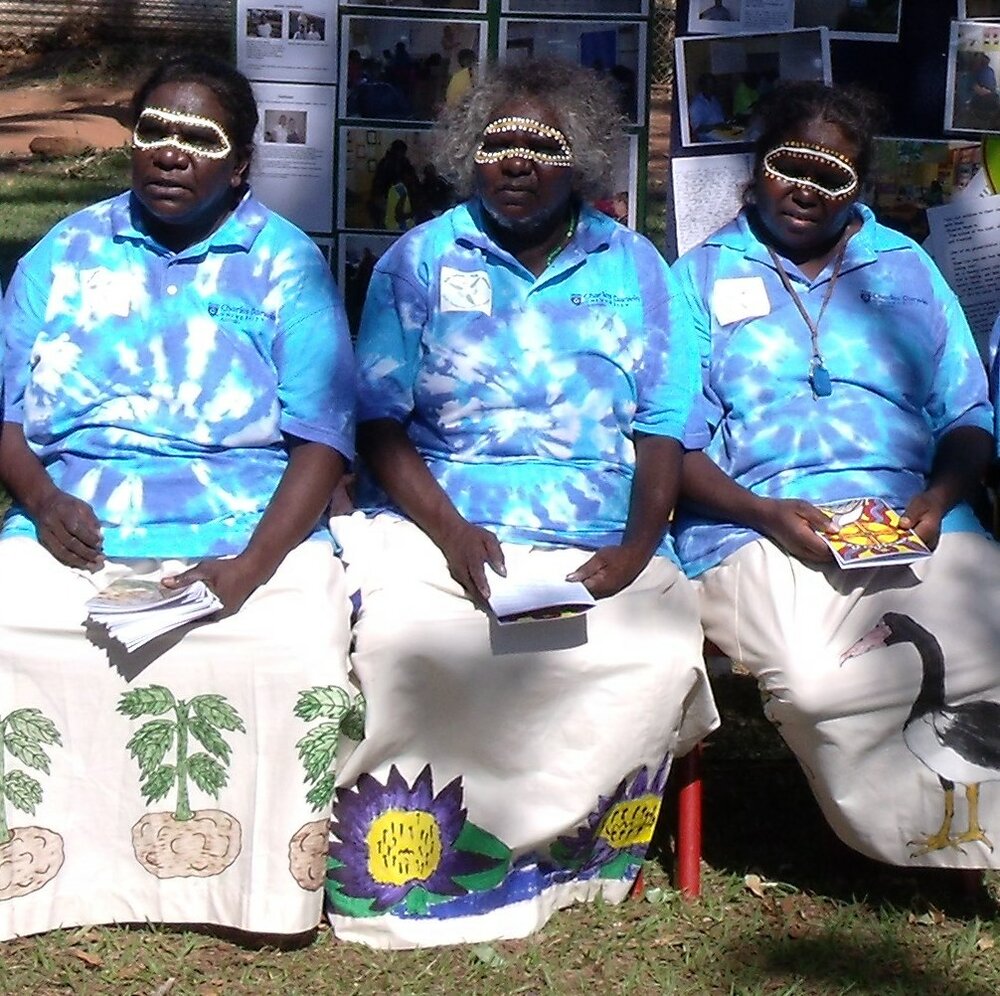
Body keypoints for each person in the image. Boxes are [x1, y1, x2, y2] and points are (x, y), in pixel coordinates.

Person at [327, 59, 718, 948]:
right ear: (469, 153)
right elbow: (381, 423)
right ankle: (407, 873)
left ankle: (572, 861)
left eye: (540, 146)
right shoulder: (418, 259)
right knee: (405, 643)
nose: (515, 162)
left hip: (596, 537)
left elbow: (663, 428)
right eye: (497, 142)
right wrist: (453, 532)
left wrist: (635, 549)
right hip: (440, 522)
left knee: (648, 653)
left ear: (576, 158)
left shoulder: (638, 269)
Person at [0, 54, 356, 939]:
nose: (169, 153)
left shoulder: (286, 265)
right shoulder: (65, 249)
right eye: (154, 130)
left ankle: (259, 896)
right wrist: (43, 503)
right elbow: (3, 414)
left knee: (296, 642)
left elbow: (322, 439)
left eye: (200, 138)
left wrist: (249, 567)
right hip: (79, 524)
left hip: (244, 529)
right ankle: (47, 875)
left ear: (239, 163)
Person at [672, 81, 1000, 872]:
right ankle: (923, 842)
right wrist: (762, 512)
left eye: (833, 174)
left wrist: (937, 499)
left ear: (860, 184)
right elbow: (668, 444)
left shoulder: (907, 267)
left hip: (916, 520)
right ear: (756, 168)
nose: (807, 189)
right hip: (756, 525)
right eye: (791, 163)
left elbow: (969, 415)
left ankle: (975, 836)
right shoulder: (702, 275)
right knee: (824, 683)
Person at [688, 73, 727, 142]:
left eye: (713, 84)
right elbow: (697, 129)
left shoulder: (714, 99)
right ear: (703, 86)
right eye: (709, 85)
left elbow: (720, 118)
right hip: (708, 138)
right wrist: (716, 127)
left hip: (722, 133)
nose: (712, 87)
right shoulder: (697, 104)